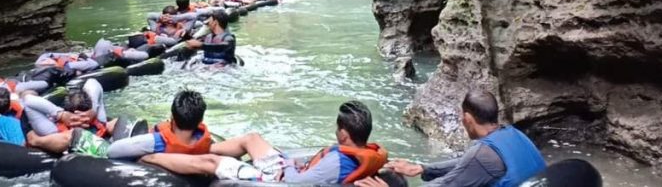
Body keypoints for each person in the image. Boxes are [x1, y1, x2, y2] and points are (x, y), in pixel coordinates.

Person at [137, 100, 388, 184]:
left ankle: (147, 156)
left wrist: (287, 164)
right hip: (286, 167)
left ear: (343, 134)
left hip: (278, 178)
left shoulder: (338, 161)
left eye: (338, 128)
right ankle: (194, 146)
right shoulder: (368, 152)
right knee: (251, 138)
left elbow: (296, 183)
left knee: (213, 162)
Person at [355, 90, 545, 187]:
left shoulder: (482, 155)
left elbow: (447, 185)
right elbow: (465, 163)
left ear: (468, 119)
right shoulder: (514, 135)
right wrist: (423, 168)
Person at [107, 90, 213, 159]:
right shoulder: (205, 141)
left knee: (115, 123)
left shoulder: (156, 142)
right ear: (200, 121)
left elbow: (112, 151)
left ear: (172, 117)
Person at [22, 78, 114, 156]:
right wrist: (93, 109)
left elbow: (27, 100)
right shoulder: (100, 119)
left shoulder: (53, 131)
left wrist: (60, 114)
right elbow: (92, 82)